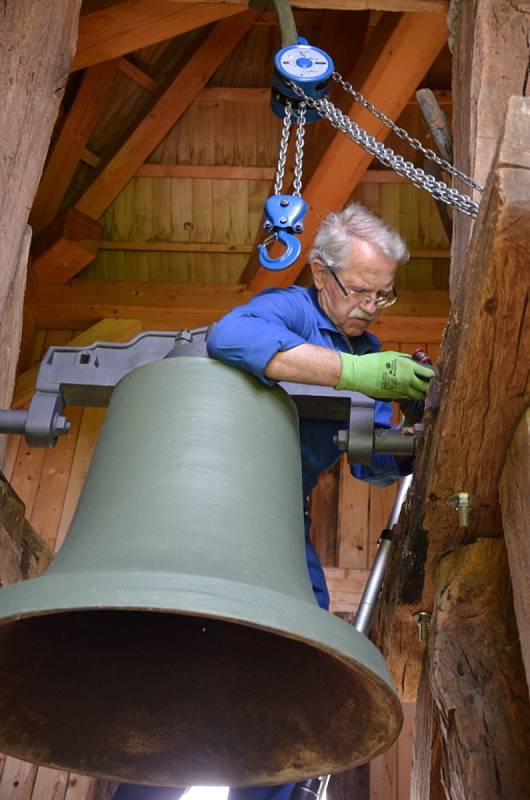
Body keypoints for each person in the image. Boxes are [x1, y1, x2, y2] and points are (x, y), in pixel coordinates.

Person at [112, 203, 434, 800]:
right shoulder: (291, 309)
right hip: (214, 507)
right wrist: (355, 373)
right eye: (361, 291)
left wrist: (412, 437)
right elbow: (231, 337)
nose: (370, 306)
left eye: (383, 295)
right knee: (185, 666)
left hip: (282, 519)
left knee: (297, 663)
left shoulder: (370, 347)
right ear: (319, 273)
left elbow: (371, 461)